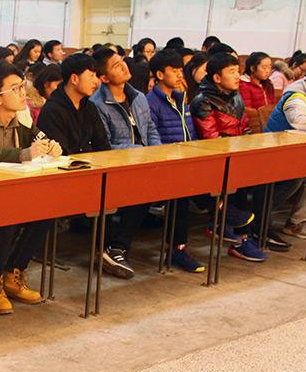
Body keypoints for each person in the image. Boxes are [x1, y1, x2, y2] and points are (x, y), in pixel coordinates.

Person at [0, 62, 61, 313]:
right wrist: (22, 154)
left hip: (14, 189)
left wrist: (51, 146)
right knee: (6, 216)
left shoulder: (23, 115)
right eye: (15, 89)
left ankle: (14, 272)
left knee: (47, 212)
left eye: (22, 87)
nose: (22, 93)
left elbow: (38, 137)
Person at [90, 48, 161, 278]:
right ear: (103, 77)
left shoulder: (138, 97)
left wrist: (157, 152)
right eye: (115, 65)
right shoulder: (97, 104)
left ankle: (117, 249)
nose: (123, 66)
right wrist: (138, 152)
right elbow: (104, 146)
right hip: (116, 167)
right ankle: (116, 248)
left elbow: (150, 128)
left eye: (122, 61)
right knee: (141, 188)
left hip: (143, 162)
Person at [190, 53, 266, 262]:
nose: (237, 76)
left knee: (255, 178)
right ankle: (235, 233)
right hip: (211, 159)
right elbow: (211, 140)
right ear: (216, 77)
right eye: (231, 72)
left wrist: (247, 147)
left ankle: (242, 236)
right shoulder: (203, 101)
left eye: (238, 71)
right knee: (237, 178)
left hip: (234, 155)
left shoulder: (236, 96)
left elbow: (245, 127)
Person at [146, 50, 207, 273]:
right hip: (165, 163)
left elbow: (191, 134)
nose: (180, 75)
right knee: (181, 190)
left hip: (186, 160)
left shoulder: (181, 100)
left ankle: (236, 228)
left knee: (222, 174)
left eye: (181, 70)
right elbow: (151, 137)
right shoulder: (151, 102)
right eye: (174, 70)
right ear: (160, 74)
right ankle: (178, 249)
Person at [265, 58, 306, 239]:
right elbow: (299, 121)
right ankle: (295, 223)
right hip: (274, 152)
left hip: (298, 152)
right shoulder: (297, 96)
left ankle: (301, 220)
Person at [37, 53, 109, 156]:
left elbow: (103, 145)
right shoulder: (51, 111)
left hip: (93, 163)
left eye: (96, 76)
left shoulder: (90, 107)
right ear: (74, 79)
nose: (96, 81)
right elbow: (60, 153)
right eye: (91, 76)